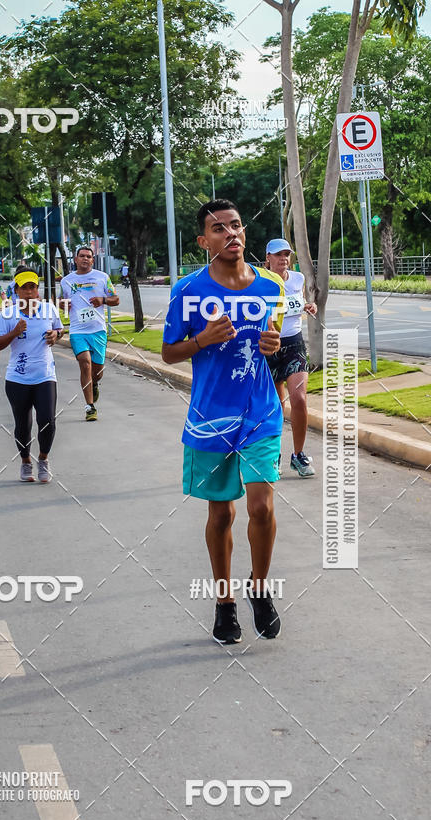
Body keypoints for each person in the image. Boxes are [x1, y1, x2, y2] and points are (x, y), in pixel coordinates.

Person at [162, 199, 285, 645]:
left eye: (236, 226)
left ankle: (259, 586)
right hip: (210, 418)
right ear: (204, 241)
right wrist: (202, 339)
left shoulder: (270, 287)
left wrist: (272, 345)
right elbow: (169, 352)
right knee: (221, 514)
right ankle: (224, 602)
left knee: (261, 507)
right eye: (219, 229)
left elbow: (273, 342)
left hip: (261, 413)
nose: (231, 234)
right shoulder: (188, 291)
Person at [0, 269, 63, 483]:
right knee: (23, 424)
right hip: (18, 378)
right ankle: (25, 461)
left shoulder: (48, 309)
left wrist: (55, 335)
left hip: (45, 375)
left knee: (47, 421)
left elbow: (60, 329)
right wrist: (14, 332)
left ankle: (43, 459)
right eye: (25, 288)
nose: (30, 292)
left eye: (33, 287)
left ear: (37, 290)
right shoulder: (8, 314)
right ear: (16, 291)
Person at [264, 239, 317, 477]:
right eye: (278, 255)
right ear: (268, 258)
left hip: (294, 343)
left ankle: (298, 455)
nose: (283, 259)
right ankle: (273, 454)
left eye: (287, 254)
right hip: (268, 345)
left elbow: (301, 302)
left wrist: (309, 306)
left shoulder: (298, 279)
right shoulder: (260, 281)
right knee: (275, 406)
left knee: (300, 398)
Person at [59, 247, 119, 421]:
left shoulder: (102, 278)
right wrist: (63, 304)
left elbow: (116, 299)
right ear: (75, 259)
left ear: (93, 260)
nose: (85, 259)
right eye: (82, 256)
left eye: (88, 256)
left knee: (97, 370)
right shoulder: (66, 281)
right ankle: (90, 407)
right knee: (85, 363)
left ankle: (95, 383)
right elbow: (61, 299)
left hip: (98, 330)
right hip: (78, 330)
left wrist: (103, 300)